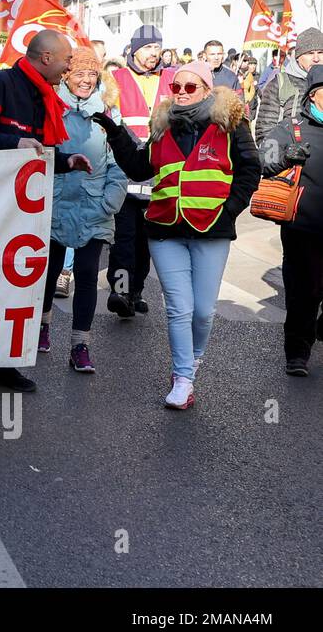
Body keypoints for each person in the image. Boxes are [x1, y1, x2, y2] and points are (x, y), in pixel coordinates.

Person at [94, 60, 259, 409]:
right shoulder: (161, 126)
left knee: (203, 312)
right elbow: (140, 167)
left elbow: (250, 170)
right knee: (179, 309)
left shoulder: (232, 124)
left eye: (190, 87)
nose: (181, 93)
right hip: (165, 228)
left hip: (211, 231)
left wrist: (228, 210)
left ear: (206, 89)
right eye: (177, 87)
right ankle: (183, 377)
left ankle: (192, 361)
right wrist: (115, 131)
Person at [0, 30, 91, 395]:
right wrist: (12, 142)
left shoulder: (44, 95)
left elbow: (37, 149)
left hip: (21, 213)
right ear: (46, 58)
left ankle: (2, 366)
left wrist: (66, 161)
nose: (69, 67)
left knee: (12, 291)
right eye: (66, 60)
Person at [39, 48, 127, 372]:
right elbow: (39, 157)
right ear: (65, 76)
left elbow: (120, 163)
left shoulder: (107, 115)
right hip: (56, 205)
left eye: (92, 75)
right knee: (49, 270)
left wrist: (110, 201)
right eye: (80, 74)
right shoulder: (50, 109)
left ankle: (80, 346)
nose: (87, 80)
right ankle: (42, 326)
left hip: (95, 207)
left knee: (88, 274)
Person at [260, 63, 323, 374]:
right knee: (303, 291)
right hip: (302, 226)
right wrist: (287, 156)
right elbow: (265, 160)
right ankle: (297, 352)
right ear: (313, 95)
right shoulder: (291, 128)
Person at [107, 25, 166, 318]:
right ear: (134, 49)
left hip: (158, 175)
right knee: (124, 239)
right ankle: (120, 291)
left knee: (146, 242)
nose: (153, 55)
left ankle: (137, 291)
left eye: (157, 48)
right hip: (124, 172)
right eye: (148, 48)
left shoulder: (170, 79)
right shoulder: (116, 79)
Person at [255, 27, 323, 143]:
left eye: (321, 52)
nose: (316, 58)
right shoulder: (280, 83)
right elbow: (265, 132)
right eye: (310, 53)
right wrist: (283, 156)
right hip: (291, 157)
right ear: (298, 57)